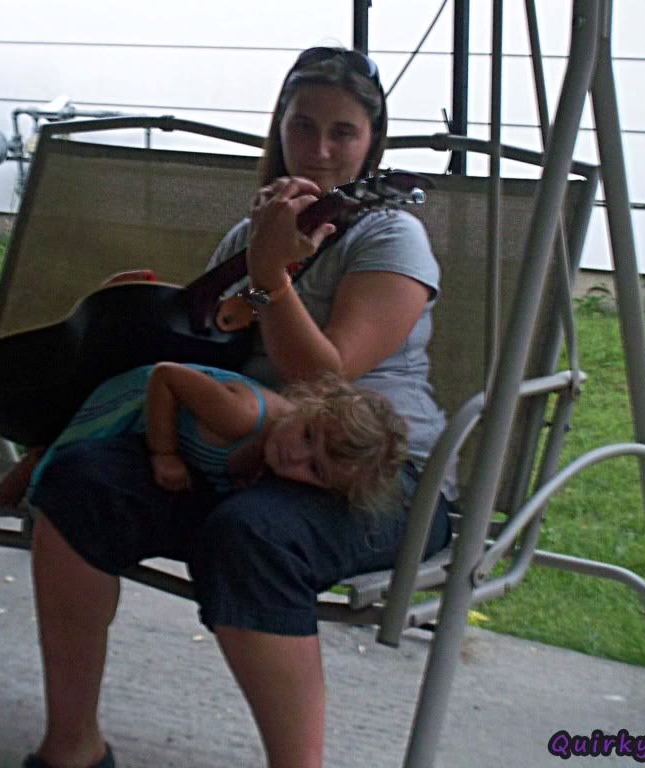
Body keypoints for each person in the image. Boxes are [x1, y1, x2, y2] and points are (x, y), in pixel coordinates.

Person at [24, 46, 457, 768]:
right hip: (245, 454)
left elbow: (328, 376)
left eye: (343, 132)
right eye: (303, 126)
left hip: (373, 470)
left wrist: (271, 280)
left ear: (371, 141)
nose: (320, 151)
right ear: (278, 130)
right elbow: (203, 354)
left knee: (251, 535)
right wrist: (145, 309)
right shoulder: (246, 239)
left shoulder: (390, 235)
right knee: (80, 486)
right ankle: (73, 747)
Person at [0, 362, 409, 517]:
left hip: (180, 429)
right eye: (306, 435)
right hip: (139, 403)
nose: (294, 456)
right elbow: (166, 377)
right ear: (308, 405)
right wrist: (165, 453)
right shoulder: (240, 417)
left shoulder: (276, 458)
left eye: (315, 469)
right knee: (71, 452)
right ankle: (34, 460)